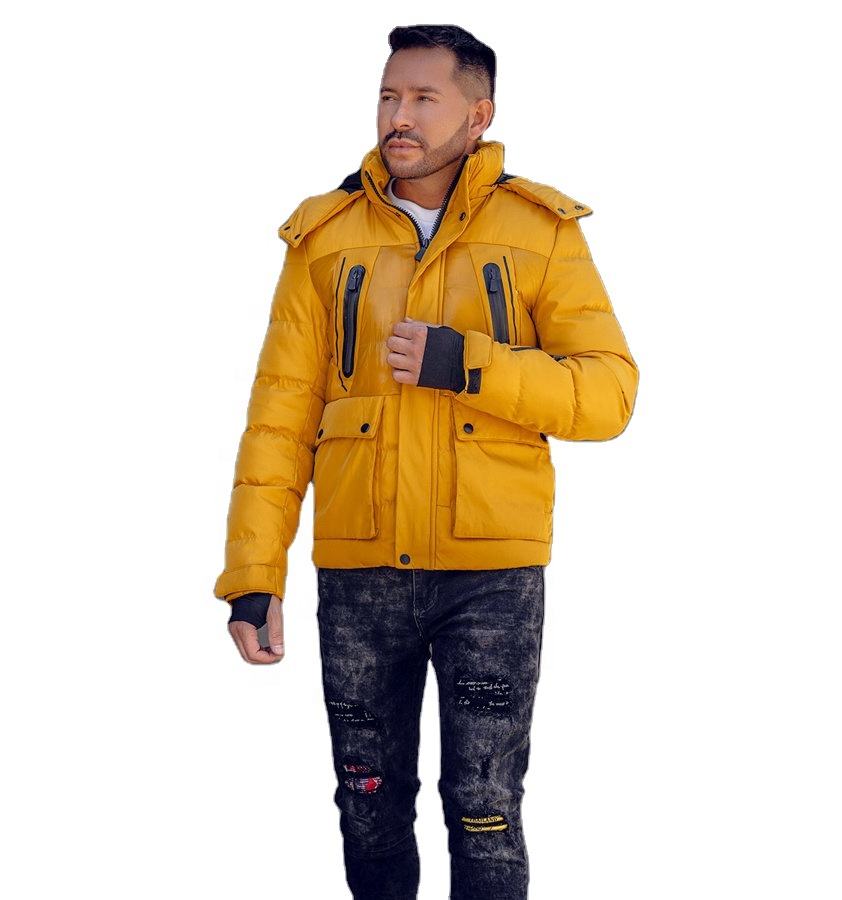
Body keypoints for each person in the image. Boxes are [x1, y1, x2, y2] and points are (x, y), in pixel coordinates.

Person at [214, 23, 638, 900]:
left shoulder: (541, 231)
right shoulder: (323, 236)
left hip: (492, 576)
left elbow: (609, 394)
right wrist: (253, 575)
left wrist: (469, 364)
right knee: (367, 804)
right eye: (387, 96)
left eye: (422, 98)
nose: (396, 116)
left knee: (485, 810)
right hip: (360, 571)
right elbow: (279, 421)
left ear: (478, 115)